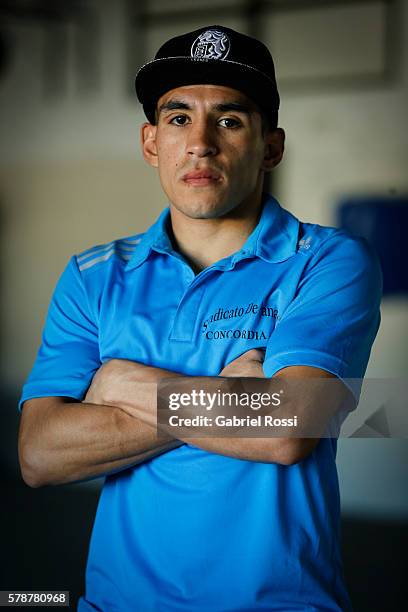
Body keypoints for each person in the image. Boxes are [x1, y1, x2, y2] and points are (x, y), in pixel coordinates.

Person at [18, 25, 381, 612]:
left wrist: (124, 386)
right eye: (178, 118)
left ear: (271, 146)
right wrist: (236, 399)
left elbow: (289, 429)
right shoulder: (92, 276)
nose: (201, 143)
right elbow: (38, 455)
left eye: (231, 120)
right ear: (150, 141)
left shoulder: (329, 261)